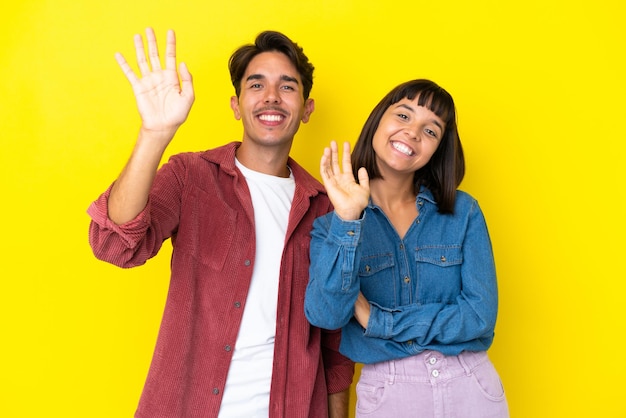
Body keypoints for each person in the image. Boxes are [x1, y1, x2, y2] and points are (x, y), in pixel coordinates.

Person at [87, 28, 354, 418]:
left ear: (307, 108)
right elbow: (114, 245)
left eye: (287, 87)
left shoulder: (327, 208)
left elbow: (334, 346)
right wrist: (154, 134)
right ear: (235, 104)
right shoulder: (191, 176)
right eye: (256, 84)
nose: (271, 97)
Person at [304, 79, 509, 417]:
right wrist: (348, 221)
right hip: (390, 391)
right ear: (378, 120)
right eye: (403, 115)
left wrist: (379, 321)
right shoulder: (332, 225)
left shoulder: (463, 212)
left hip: (470, 385)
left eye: (431, 131)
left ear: (438, 149)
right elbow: (326, 315)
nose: (413, 132)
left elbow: (479, 317)